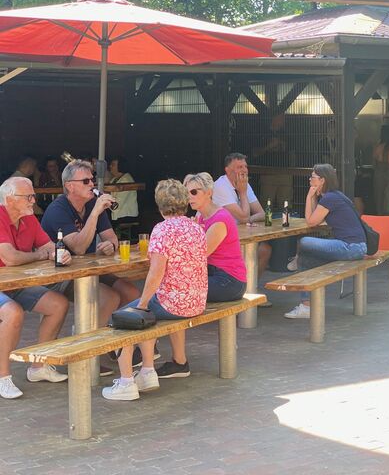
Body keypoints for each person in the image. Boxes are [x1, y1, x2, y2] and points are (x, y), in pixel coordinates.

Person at [102, 179, 208, 401]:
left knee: (122, 319)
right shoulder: (196, 228)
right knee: (145, 315)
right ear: (184, 202)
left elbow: (156, 272)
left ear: (160, 205)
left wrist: (142, 304)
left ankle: (126, 382)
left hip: (173, 303)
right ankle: (147, 373)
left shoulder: (162, 230)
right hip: (197, 301)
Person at [41, 159, 140, 328]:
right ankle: (87, 335)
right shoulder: (58, 209)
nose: (92, 184)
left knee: (131, 292)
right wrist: (95, 213)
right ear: (70, 186)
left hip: (88, 269)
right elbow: (79, 248)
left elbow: (111, 237)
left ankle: (114, 336)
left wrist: (111, 245)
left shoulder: (93, 203)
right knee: (109, 297)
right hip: (61, 273)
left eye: (92, 179)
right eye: (86, 181)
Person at [0, 177, 71, 399]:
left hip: (15, 284)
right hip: (6, 284)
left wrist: (61, 254)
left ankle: (39, 367)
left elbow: (50, 247)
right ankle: (3, 377)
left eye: (33, 196)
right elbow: (10, 258)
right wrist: (41, 255)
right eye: (28, 197)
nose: (33, 201)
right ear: (9, 199)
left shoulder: (28, 218)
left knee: (58, 304)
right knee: (13, 313)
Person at [284, 163, 367, 319]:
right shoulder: (334, 196)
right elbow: (315, 217)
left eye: (313, 177)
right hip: (356, 247)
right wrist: (313, 198)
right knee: (306, 259)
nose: (310, 180)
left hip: (350, 247)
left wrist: (309, 196)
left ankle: (296, 259)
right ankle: (306, 306)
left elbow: (310, 221)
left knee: (304, 242)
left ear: (322, 180)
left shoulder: (329, 198)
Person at [184, 172, 246, 302]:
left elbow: (199, 255)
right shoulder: (200, 217)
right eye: (187, 193)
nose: (189, 197)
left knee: (180, 290)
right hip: (212, 273)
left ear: (209, 193)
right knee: (174, 287)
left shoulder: (219, 219)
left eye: (194, 192)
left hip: (230, 280)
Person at [212, 153, 271, 277]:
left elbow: (262, 213)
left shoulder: (244, 183)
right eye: (239, 167)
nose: (244, 170)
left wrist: (248, 220)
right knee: (245, 255)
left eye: (245, 166)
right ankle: (243, 284)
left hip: (240, 235)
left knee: (265, 250)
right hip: (220, 238)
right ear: (228, 171)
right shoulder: (220, 186)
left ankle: (251, 285)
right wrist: (243, 193)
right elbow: (244, 217)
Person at [107, 156, 139, 224]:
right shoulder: (114, 179)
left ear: (120, 166)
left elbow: (117, 204)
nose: (110, 166)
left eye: (113, 165)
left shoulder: (126, 180)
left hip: (126, 216)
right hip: (117, 215)